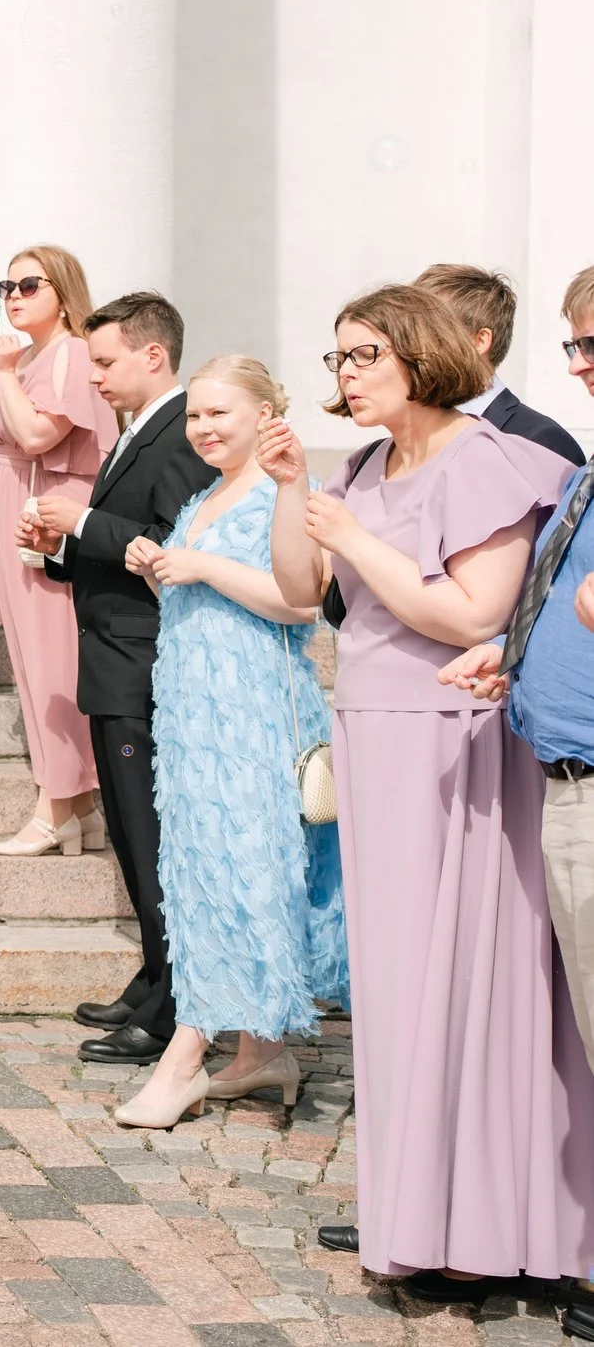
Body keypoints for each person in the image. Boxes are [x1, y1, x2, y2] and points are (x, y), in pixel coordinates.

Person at [263, 284, 593, 1301]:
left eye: (362, 353)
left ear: (420, 352)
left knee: (471, 989)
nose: (344, 373)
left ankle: (505, 1226)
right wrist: (288, 489)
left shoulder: (491, 460)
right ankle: (422, 1220)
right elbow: (293, 590)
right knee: (399, 994)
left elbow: (471, 612)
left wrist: (357, 538)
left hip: (458, 746)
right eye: (336, 357)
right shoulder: (361, 464)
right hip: (375, 739)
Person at [108, 358, 345, 1129]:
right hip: (196, 713)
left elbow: (298, 602)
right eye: (196, 415)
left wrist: (200, 564)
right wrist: (159, 569)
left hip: (253, 717)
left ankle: (186, 1053)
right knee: (207, 866)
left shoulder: (286, 490)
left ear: (267, 413)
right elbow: (202, 598)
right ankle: (262, 1050)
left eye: (221, 414)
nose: (204, 427)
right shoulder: (208, 494)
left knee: (241, 869)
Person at [439, 261, 594, 1343]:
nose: (579, 365)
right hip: (564, 776)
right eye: (575, 344)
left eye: (593, 344)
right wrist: (511, 649)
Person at [22, 293, 218, 1065]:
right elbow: (115, 538)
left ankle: (173, 1005)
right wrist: (60, 544)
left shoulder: (182, 434)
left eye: (103, 361)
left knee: (153, 838)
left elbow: (171, 545)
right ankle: (153, 976)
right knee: (137, 845)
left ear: (153, 355)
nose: (93, 376)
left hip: (143, 664)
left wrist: (79, 521)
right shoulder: (139, 428)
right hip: (111, 657)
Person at [0, 247, 119, 857]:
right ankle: (80, 809)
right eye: (7, 285)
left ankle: (56, 808)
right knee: (35, 664)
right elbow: (14, 446)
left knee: (53, 665)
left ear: (63, 290)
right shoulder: (35, 356)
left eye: (29, 284)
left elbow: (38, 435)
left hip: (49, 518)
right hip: (21, 505)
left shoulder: (71, 351)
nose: (13, 295)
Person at [412, 262, 586, 466]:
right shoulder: (404, 443)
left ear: (480, 340)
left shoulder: (539, 441)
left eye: (429, 330)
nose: (410, 344)